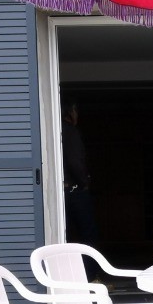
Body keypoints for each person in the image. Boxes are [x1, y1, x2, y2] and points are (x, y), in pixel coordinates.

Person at [61, 101, 105, 281]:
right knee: (89, 235)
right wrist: (84, 182)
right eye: (76, 110)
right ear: (70, 112)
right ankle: (91, 277)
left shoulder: (58, 130)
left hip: (63, 191)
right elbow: (75, 161)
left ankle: (69, 277)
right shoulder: (70, 132)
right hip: (74, 191)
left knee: (66, 235)